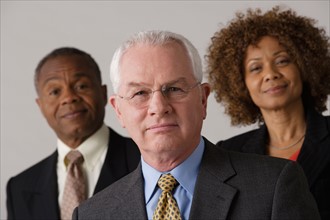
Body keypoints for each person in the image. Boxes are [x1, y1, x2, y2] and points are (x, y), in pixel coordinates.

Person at [72, 30, 320, 219]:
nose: (159, 106)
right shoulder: (92, 214)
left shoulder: (275, 185)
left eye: (174, 89)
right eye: (140, 94)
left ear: (203, 99)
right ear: (118, 111)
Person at [206, 6, 330, 220]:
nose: (270, 74)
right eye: (256, 68)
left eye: (282, 61)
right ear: (240, 83)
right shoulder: (229, 153)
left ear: (304, 66)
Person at [6, 47, 141, 220]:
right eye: (55, 91)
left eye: (81, 86)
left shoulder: (146, 160)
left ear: (103, 93)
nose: (69, 97)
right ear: (41, 106)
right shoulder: (20, 188)